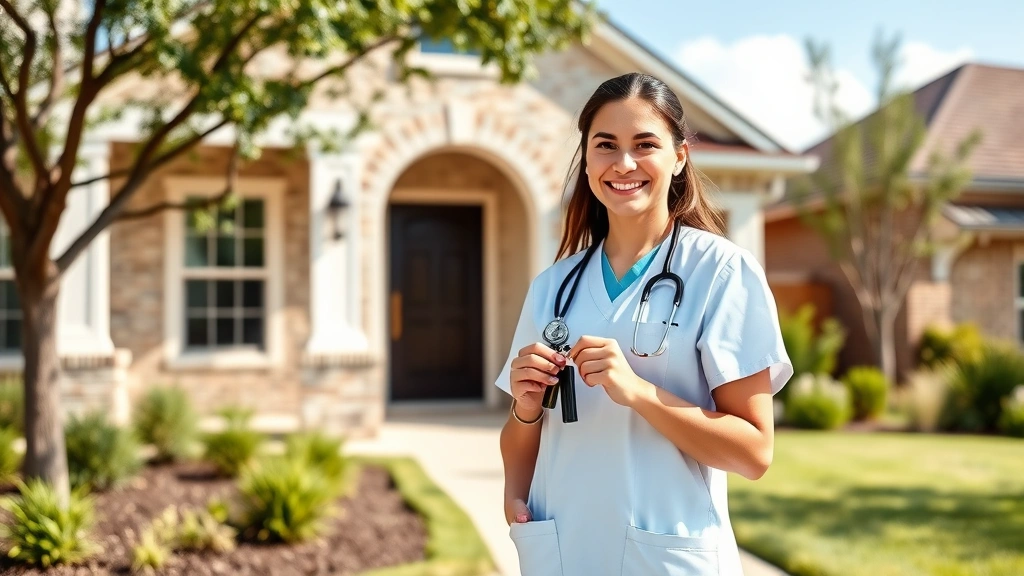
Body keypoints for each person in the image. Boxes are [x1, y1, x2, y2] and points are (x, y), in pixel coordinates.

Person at [494, 72, 793, 576]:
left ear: (679, 157)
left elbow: (753, 452)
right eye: (605, 145)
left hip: (666, 555)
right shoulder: (553, 287)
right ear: (586, 161)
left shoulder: (720, 273)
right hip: (565, 551)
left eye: (644, 144)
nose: (623, 163)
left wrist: (638, 392)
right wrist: (525, 411)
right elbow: (526, 439)